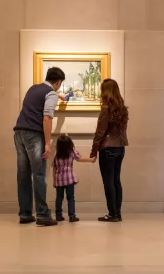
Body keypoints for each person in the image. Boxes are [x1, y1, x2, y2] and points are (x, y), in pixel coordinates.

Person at [13, 67, 66, 226]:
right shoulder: (50, 94)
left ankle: (25, 213)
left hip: (19, 133)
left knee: (23, 175)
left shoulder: (34, 88)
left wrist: (57, 95)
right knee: (39, 175)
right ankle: (43, 214)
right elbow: (47, 118)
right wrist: (48, 144)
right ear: (58, 82)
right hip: (34, 135)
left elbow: (36, 104)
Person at [90, 79, 129, 222]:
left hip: (108, 150)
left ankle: (112, 214)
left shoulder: (106, 108)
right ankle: (117, 213)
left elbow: (100, 132)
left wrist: (93, 152)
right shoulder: (122, 108)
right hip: (120, 149)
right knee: (116, 181)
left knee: (108, 182)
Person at [52, 134, 96, 222]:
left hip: (59, 180)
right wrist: (91, 160)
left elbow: (54, 168)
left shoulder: (56, 156)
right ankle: (72, 216)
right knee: (70, 197)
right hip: (69, 179)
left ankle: (58, 215)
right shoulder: (71, 152)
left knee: (59, 198)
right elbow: (80, 159)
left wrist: (54, 181)